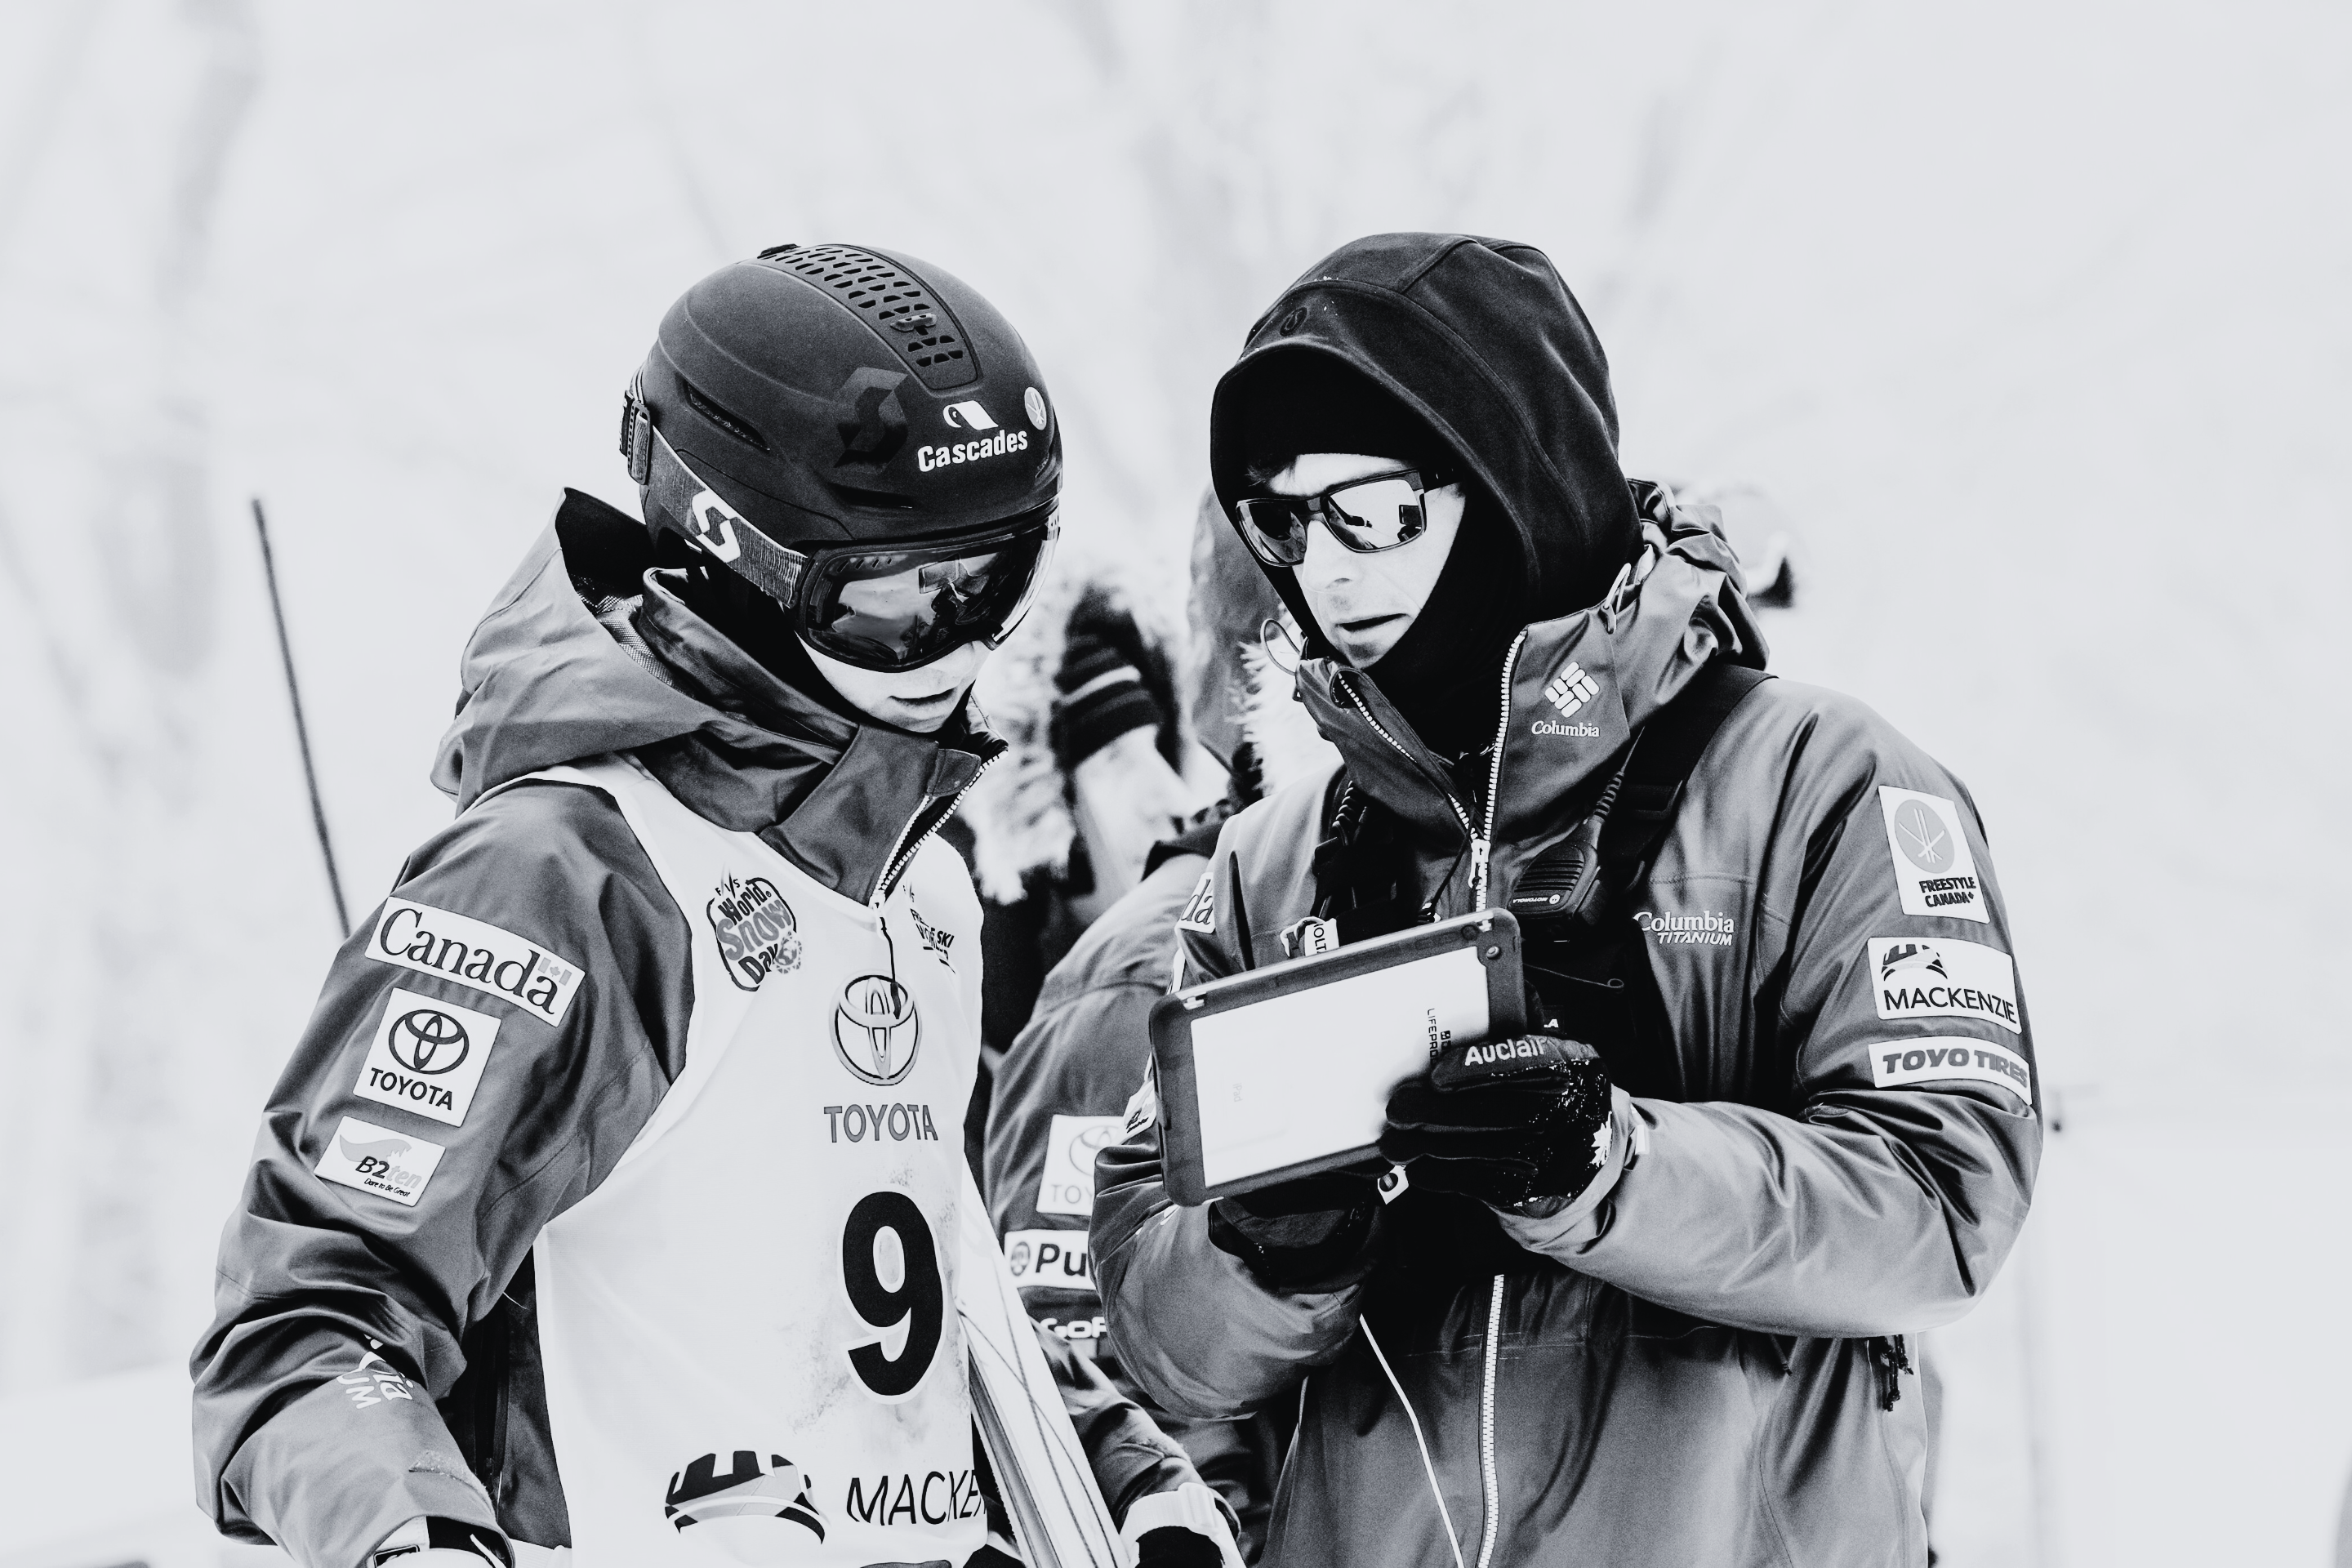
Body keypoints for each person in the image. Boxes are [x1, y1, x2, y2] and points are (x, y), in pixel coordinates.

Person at [192, 244, 1232, 1568]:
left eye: (994, 579)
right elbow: (306, 1319)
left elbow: (901, 1303)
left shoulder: (920, 880)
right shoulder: (567, 877)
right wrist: (413, 1536)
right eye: (893, 599)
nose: (960, 645)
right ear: (735, 552)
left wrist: (1118, 1470)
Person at [1093, 232, 2042, 1567]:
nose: (1327, 569)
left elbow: (1948, 1197)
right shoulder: (1274, 863)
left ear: (1511, 482)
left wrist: (1611, 1166)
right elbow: (1152, 1337)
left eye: (1372, 509)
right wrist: (1264, 1249)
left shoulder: (1828, 787)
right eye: (1284, 518)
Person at [982, 491, 1337, 1561]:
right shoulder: (1139, 984)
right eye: (1106, 755)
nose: (1143, 793)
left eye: (1149, 748)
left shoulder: (1307, 919)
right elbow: (1078, 1356)